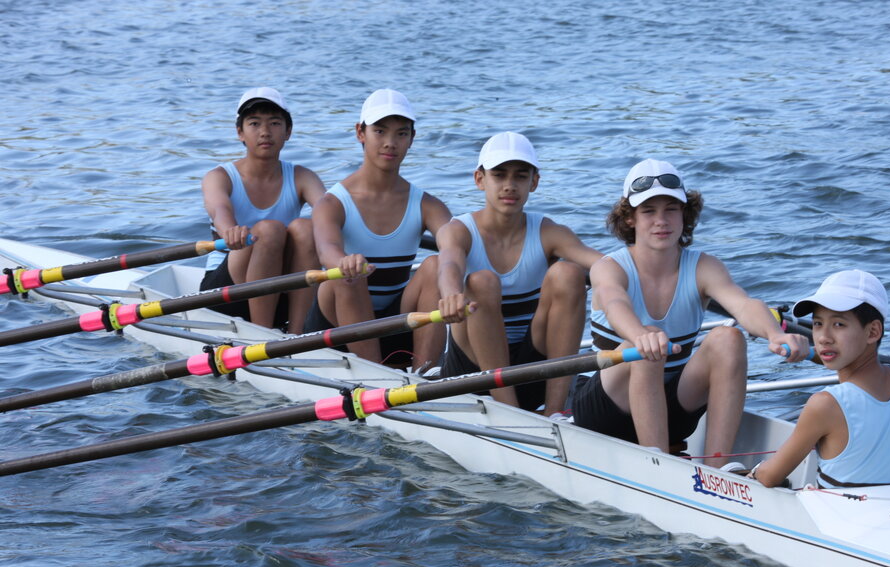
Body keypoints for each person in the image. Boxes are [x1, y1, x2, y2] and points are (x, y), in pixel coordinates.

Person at [572, 159, 810, 467]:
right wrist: (640, 335)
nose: (661, 221)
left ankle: (717, 469)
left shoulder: (704, 267)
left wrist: (775, 334)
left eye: (671, 209)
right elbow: (615, 303)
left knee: (728, 338)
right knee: (645, 344)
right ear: (629, 218)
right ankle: (660, 467)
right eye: (649, 211)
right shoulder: (609, 268)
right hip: (603, 410)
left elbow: (743, 305)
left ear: (685, 214)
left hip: (672, 409)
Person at [749, 270, 890, 487]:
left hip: (838, 508)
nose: (823, 338)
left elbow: (770, 477)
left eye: (838, 324)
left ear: (873, 332)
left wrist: (755, 471)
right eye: (817, 324)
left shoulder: (824, 404)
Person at [437, 131, 603, 415]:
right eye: (499, 175)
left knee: (568, 273)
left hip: (530, 369)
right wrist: (452, 294)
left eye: (520, 176)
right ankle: (508, 411)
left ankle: (555, 412)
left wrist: (641, 276)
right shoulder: (458, 230)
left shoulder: (549, 231)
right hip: (472, 373)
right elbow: (449, 264)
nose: (509, 186)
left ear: (534, 182)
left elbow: (601, 263)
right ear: (480, 179)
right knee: (482, 281)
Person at [308, 89, 453, 371]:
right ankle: (376, 377)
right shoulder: (332, 203)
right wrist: (343, 261)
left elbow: (454, 244)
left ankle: (423, 374)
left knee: (438, 264)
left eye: (401, 133)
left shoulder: (428, 205)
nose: (390, 142)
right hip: (334, 325)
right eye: (380, 131)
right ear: (360, 133)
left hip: (395, 323)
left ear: (412, 139)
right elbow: (327, 251)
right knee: (348, 272)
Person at [200, 87, 327, 333]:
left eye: (275, 123)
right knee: (268, 231)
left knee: (307, 227)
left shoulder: (303, 177)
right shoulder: (219, 177)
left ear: (288, 131)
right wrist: (229, 231)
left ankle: (297, 335)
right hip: (225, 293)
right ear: (240, 132)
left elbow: (329, 212)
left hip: (280, 292)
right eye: (255, 123)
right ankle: (261, 336)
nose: (265, 132)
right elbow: (219, 209)